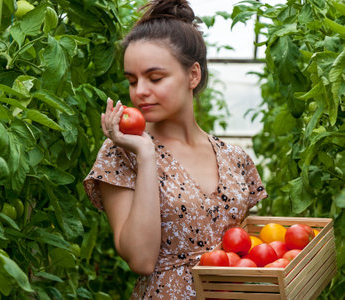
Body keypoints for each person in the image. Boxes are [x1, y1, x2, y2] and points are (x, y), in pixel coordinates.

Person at [83, 0, 268, 298]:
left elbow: (248, 248)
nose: (140, 91)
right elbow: (141, 260)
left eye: (155, 78)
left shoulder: (235, 158)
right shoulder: (121, 154)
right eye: (132, 80)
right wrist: (145, 155)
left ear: (192, 75)